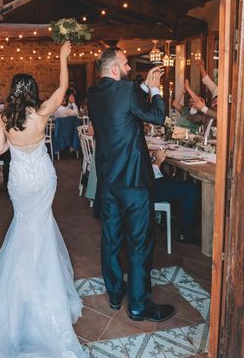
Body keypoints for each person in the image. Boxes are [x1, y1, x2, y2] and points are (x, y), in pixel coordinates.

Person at [0, 42, 84, 357]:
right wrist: (63, 57)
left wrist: (7, 131)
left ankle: (22, 290)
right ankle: (42, 285)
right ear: (33, 91)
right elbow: (63, 87)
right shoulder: (43, 112)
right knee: (41, 225)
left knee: (24, 228)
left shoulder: (6, 117)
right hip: (43, 177)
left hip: (21, 180)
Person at [87, 47, 175, 322]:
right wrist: (156, 90)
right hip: (134, 182)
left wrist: (143, 87)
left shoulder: (93, 94)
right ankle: (138, 305)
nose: (128, 69)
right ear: (114, 69)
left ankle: (115, 294)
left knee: (111, 240)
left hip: (108, 181)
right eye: (125, 64)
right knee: (139, 244)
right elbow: (157, 117)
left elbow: (122, 113)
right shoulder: (126, 90)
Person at [151, 149, 200, 244]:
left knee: (175, 181)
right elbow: (148, 174)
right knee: (191, 190)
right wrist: (157, 161)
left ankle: (166, 219)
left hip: (132, 187)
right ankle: (185, 234)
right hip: (144, 189)